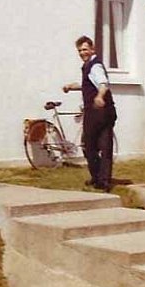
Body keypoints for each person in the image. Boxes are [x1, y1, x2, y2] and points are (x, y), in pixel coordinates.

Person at [63, 35, 117, 192]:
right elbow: (88, 83)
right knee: (90, 146)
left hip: (101, 113)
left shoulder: (95, 66)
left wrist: (100, 97)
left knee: (102, 146)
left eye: (85, 49)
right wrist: (71, 86)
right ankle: (98, 177)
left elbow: (102, 83)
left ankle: (103, 180)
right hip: (94, 113)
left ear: (92, 49)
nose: (82, 52)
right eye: (79, 50)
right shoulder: (88, 66)